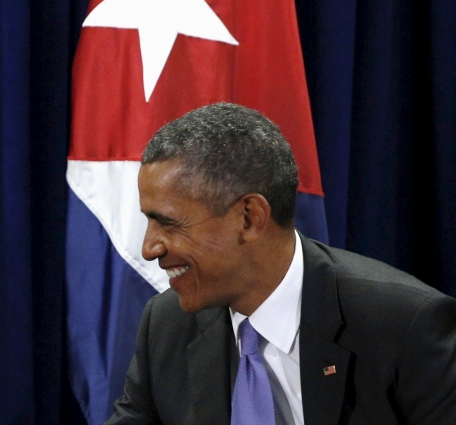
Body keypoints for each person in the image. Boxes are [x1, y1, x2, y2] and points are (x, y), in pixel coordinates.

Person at [104, 103, 456, 425]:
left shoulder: (404, 326)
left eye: (168, 223)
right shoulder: (167, 326)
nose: (149, 248)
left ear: (250, 218)